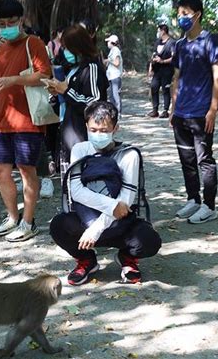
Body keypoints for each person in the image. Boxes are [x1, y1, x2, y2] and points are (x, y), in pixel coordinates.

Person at [50, 101, 161, 285]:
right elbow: (76, 191)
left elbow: (125, 201)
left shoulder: (129, 155)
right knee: (58, 226)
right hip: (86, 220)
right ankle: (86, 260)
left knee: (149, 241)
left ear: (115, 128)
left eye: (104, 130)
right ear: (86, 126)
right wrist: (110, 207)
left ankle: (127, 258)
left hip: (120, 224)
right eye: (93, 129)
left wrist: (97, 228)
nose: (98, 135)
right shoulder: (80, 150)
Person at [0, 0, 52, 242]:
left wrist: (15, 79)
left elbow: (44, 75)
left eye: (11, 22)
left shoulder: (33, 43)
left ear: (21, 20)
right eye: (2, 23)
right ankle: (12, 217)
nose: (6, 27)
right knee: (0, 169)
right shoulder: (0, 50)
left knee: (27, 170)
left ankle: (28, 221)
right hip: (1, 122)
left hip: (28, 120)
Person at [171, 0, 218, 224]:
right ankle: (193, 198)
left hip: (201, 113)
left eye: (185, 13)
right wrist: (173, 108)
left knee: (204, 160)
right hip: (181, 113)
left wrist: (213, 109)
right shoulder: (179, 45)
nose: (181, 18)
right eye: (179, 14)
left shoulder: (210, 40)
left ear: (197, 14)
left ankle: (209, 205)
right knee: (186, 159)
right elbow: (176, 78)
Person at [47, 24, 108, 181]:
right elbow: (67, 99)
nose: (64, 51)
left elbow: (94, 103)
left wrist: (66, 91)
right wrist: (55, 94)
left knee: (82, 179)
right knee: (69, 179)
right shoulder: (75, 69)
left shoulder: (92, 68)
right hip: (68, 130)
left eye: (67, 47)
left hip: (82, 134)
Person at [147, 24, 176, 118]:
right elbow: (153, 55)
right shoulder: (157, 42)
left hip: (167, 70)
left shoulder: (171, 43)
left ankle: (165, 110)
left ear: (163, 31)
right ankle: (155, 110)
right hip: (157, 70)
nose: (158, 33)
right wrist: (151, 67)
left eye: (158, 31)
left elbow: (174, 57)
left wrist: (163, 61)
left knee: (165, 90)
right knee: (153, 87)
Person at [104, 34, 123, 114]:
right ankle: (113, 112)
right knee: (111, 95)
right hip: (111, 76)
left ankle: (118, 112)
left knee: (115, 95)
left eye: (108, 42)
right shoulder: (112, 51)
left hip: (115, 76)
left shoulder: (116, 50)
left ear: (112, 42)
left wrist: (108, 61)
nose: (107, 43)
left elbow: (116, 62)